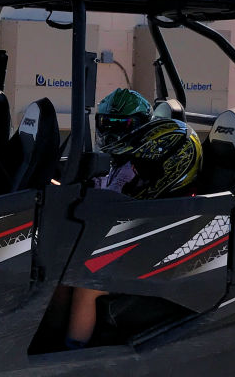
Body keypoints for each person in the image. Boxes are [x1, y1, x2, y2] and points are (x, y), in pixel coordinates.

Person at [63, 88, 203, 349]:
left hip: (155, 244)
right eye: (107, 124)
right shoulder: (123, 160)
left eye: (122, 125)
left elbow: (123, 207)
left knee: (86, 283)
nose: (113, 132)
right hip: (129, 235)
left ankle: (72, 353)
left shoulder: (153, 169)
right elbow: (100, 192)